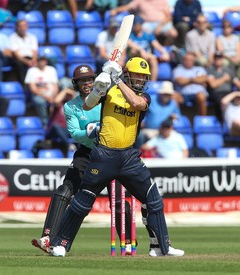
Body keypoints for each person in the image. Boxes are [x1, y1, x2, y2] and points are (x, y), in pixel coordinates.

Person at [49, 57, 185, 257]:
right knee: (83, 200)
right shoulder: (110, 91)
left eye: (143, 77)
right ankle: (60, 243)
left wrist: (117, 79)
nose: (140, 80)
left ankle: (160, 246)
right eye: (137, 75)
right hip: (104, 154)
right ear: (128, 74)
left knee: (153, 199)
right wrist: (98, 89)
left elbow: (136, 103)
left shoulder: (145, 96)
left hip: (129, 156)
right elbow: (87, 106)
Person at [31, 65, 138, 255]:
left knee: (118, 198)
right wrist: (93, 130)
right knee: (65, 190)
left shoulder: (107, 97)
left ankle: (129, 243)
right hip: (87, 153)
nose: (87, 84)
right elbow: (75, 134)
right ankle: (48, 238)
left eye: (89, 80)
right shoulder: (71, 106)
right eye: (82, 81)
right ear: (76, 84)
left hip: (110, 152)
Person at [207, 51, 240, 121]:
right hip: (217, 93)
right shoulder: (210, 70)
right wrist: (223, 79)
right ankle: (222, 121)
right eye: (216, 58)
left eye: (220, 58)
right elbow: (213, 85)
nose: (218, 60)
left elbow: (236, 81)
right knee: (221, 101)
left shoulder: (227, 70)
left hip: (229, 92)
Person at [109, 0, 177, 43]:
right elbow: (127, 7)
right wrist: (116, 10)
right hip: (147, 24)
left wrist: (160, 26)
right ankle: (148, 49)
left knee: (173, 33)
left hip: (162, 23)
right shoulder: (139, 1)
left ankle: (168, 52)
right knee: (143, 30)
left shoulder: (162, 1)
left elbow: (169, 16)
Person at [127, 16, 170, 81]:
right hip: (134, 56)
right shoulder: (130, 35)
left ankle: (153, 82)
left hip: (146, 56)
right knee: (133, 51)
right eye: (134, 25)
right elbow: (129, 43)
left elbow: (157, 45)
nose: (135, 26)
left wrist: (164, 52)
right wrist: (140, 50)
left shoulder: (147, 35)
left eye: (137, 25)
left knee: (153, 59)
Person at [25, 55, 59, 127]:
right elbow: (33, 89)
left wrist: (53, 96)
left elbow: (55, 86)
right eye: (40, 60)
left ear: (46, 62)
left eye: (44, 60)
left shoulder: (51, 69)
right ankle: (45, 123)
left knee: (60, 101)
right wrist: (46, 97)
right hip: (39, 94)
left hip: (51, 94)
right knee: (39, 101)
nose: (42, 62)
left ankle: (59, 123)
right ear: (37, 61)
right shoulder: (32, 71)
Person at [9, 19, 38, 86]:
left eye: (24, 26)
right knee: (19, 64)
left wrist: (34, 60)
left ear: (27, 27)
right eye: (20, 26)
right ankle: (25, 86)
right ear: (17, 27)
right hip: (20, 59)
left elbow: (35, 51)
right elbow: (16, 54)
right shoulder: (12, 37)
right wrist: (27, 62)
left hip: (31, 58)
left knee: (46, 62)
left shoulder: (32, 37)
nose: (22, 28)